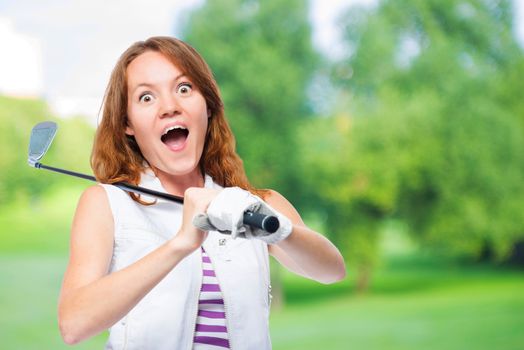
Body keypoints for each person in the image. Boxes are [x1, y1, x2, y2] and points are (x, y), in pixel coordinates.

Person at [57, 36, 346, 350]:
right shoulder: (106, 204)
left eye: (184, 89)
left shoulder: (257, 204)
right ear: (127, 123)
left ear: (207, 105)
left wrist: (275, 227)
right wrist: (180, 244)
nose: (169, 107)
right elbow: (74, 324)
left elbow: (332, 270)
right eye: (146, 98)